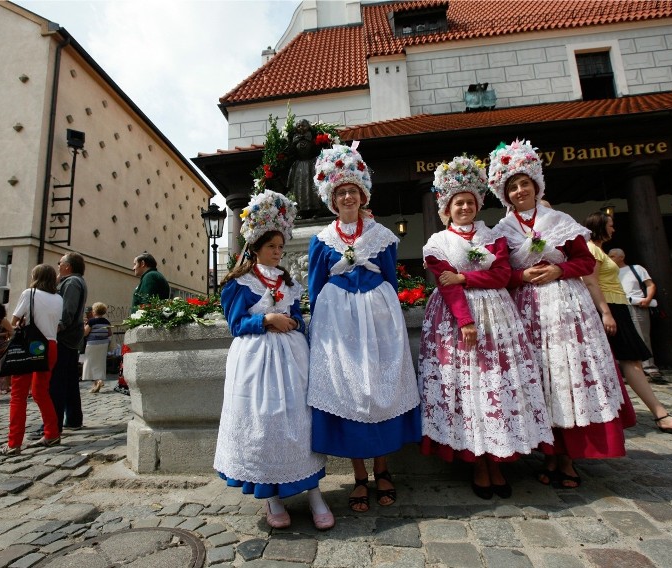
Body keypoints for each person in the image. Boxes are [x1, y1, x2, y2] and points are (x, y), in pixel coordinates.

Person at [488, 139, 630, 489]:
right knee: (538, 378)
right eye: (513, 187)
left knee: (564, 377)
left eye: (524, 184)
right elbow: (501, 274)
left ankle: (567, 459)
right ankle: (548, 453)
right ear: (505, 195)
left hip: (565, 306)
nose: (520, 190)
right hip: (524, 310)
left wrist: (558, 271)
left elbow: (584, 261)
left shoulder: (558, 220)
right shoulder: (501, 231)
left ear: (536, 186)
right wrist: (522, 276)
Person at [419, 155, 553, 499]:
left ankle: (497, 460)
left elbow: (503, 275)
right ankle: (478, 463)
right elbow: (446, 285)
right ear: (447, 208)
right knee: (468, 389)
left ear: (478, 205)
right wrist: (465, 321)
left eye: (469, 202)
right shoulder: (438, 243)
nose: (464, 207)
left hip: (498, 317)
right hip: (455, 320)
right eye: (458, 202)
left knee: (495, 383)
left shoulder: (492, 236)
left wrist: (465, 275)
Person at [307, 143, 421, 512]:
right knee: (349, 393)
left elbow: (390, 278)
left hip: (378, 322)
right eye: (340, 191)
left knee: (380, 390)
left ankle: (384, 471)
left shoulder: (383, 235)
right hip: (338, 326)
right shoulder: (321, 240)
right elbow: (315, 286)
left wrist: (390, 322)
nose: (347, 196)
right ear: (332, 198)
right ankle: (359, 477)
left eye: (352, 190)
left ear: (363, 194)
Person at [215, 190, 332, 530]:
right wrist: (266, 320)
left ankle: (313, 492)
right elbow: (237, 324)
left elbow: (296, 314)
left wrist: (294, 322)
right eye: (272, 247)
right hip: (257, 361)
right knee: (264, 423)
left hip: (292, 359)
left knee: (299, 421)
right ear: (255, 247)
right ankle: (272, 497)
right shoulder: (240, 283)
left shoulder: (288, 281)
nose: (278, 253)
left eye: (281, 248)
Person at [584, 212, 672, 432]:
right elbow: (590, 283)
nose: (613, 229)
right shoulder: (591, 249)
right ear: (600, 226)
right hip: (610, 307)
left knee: (630, 362)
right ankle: (659, 414)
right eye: (610, 225)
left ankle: (657, 413)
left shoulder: (598, 249)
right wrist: (606, 312)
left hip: (617, 305)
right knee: (629, 362)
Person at [0, 264, 63, 455]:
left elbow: (14, 321)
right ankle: (52, 432)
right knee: (41, 392)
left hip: (30, 345)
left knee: (18, 394)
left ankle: (14, 443)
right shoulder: (58, 298)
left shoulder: (29, 293)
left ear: (36, 276)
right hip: (50, 345)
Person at [117, 253, 171, 395]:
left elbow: (146, 304)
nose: (132, 267)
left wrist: (136, 320)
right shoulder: (150, 276)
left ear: (142, 263)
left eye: (135, 264)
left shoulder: (150, 277)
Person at [608, 248, 662, 379]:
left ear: (621, 257)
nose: (610, 258)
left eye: (612, 256)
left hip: (636, 304)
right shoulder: (608, 271)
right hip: (618, 305)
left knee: (642, 335)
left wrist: (648, 299)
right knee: (621, 337)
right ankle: (627, 369)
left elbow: (650, 285)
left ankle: (649, 367)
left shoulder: (636, 269)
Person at [50, 252, 88, 433]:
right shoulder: (74, 281)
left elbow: (68, 309)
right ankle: (73, 419)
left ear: (68, 266)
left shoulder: (72, 282)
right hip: (71, 338)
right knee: (70, 381)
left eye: (60, 263)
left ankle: (53, 423)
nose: (58, 266)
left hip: (65, 338)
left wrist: (59, 326)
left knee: (58, 382)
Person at [84, 302, 112, 394]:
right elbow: (109, 333)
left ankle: (97, 382)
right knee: (100, 363)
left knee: (91, 364)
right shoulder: (107, 322)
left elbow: (85, 333)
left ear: (94, 311)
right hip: (103, 344)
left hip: (92, 344)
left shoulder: (91, 321)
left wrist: (84, 325)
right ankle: (96, 385)